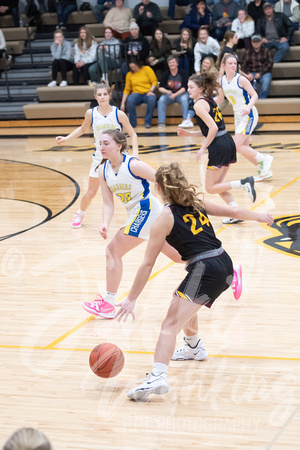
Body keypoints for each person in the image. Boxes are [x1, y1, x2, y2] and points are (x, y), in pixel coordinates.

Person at [115, 161, 274, 401]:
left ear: (157, 187)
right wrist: (258, 216)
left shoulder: (164, 218)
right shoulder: (196, 202)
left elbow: (147, 264)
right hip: (224, 261)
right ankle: (193, 346)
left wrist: (131, 298)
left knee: (169, 325)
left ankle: (158, 375)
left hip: (204, 269)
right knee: (180, 300)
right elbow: (232, 211)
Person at [81, 130, 182, 319]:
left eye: (105, 143)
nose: (101, 147)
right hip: (137, 213)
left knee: (113, 251)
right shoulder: (103, 170)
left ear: (119, 145)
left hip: (147, 209)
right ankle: (225, 271)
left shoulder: (134, 165)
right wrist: (105, 222)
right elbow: (108, 202)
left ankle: (109, 304)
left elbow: (163, 181)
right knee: (177, 256)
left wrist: (173, 206)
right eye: (99, 143)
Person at [55, 82, 138, 228]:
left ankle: (135, 214)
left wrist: (135, 154)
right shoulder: (91, 114)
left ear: (109, 95)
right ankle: (79, 214)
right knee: (91, 192)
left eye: (105, 94)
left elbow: (133, 134)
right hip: (99, 159)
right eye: (99, 95)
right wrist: (67, 138)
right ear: (95, 96)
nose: (102, 97)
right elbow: (82, 129)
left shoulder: (118, 114)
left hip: (120, 158)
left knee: (130, 188)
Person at [177, 72, 257, 224]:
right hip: (226, 140)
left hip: (219, 145)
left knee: (210, 187)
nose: (188, 90)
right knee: (218, 185)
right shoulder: (208, 101)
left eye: (191, 87)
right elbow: (211, 129)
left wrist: (202, 148)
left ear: (200, 88)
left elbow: (213, 128)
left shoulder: (198, 105)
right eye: (188, 87)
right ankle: (235, 212)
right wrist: (190, 133)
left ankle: (243, 183)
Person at [216, 54, 274, 205]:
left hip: (249, 114)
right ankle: (263, 169)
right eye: (230, 63)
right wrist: (207, 102)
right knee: (243, 147)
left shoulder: (240, 79)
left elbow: (254, 95)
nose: (233, 66)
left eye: (235, 63)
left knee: (235, 145)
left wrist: (248, 107)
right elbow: (221, 99)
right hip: (238, 116)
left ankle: (264, 159)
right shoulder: (221, 80)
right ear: (223, 65)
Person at [120, 57, 157, 129]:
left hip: (148, 92)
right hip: (136, 93)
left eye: (134, 67)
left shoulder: (147, 69)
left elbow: (154, 81)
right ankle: (132, 123)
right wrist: (122, 103)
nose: (133, 69)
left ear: (138, 64)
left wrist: (151, 90)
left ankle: (147, 122)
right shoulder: (129, 74)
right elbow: (127, 89)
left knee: (152, 99)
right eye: (131, 67)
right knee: (130, 100)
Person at [157, 55, 190, 129]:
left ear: (177, 63)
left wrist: (175, 94)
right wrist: (167, 91)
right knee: (161, 100)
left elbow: (185, 88)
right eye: (170, 62)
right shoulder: (166, 74)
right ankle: (161, 122)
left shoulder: (182, 73)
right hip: (169, 95)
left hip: (180, 94)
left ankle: (185, 121)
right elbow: (160, 88)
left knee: (184, 99)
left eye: (173, 62)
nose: (171, 64)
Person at [242, 33, 273, 99]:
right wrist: (248, 73)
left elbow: (270, 64)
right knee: (245, 81)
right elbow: (244, 65)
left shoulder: (267, 51)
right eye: (254, 42)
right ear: (251, 42)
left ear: (261, 41)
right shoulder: (247, 52)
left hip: (264, 73)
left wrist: (260, 73)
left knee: (266, 81)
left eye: (257, 41)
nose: (256, 43)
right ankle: (250, 100)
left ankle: (261, 98)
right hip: (250, 73)